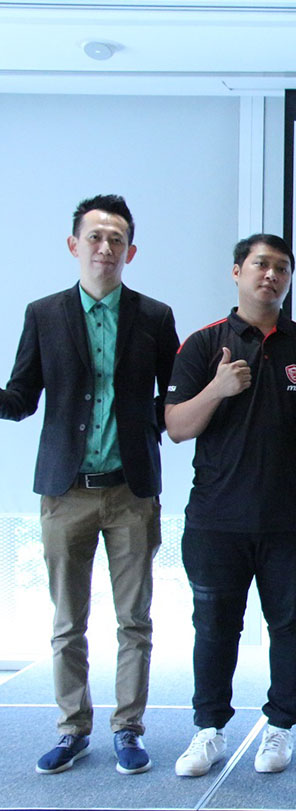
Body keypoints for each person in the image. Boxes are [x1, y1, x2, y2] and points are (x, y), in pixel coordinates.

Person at [0, 195, 177, 776]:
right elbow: (21, 396)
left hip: (131, 489)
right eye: (95, 237)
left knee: (135, 620)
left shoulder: (154, 316)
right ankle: (72, 728)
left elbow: (173, 398)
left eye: (116, 239)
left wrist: (149, 426)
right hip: (65, 490)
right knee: (67, 621)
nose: (106, 248)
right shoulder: (44, 314)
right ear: (74, 245)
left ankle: (128, 728)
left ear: (131, 252)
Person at [166, 234, 296, 777]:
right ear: (237, 271)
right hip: (216, 520)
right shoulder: (204, 344)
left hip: (292, 519)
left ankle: (280, 727)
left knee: (290, 624)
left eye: (282, 267)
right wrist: (217, 389)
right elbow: (176, 427)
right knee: (214, 628)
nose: (271, 275)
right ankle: (208, 729)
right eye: (261, 264)